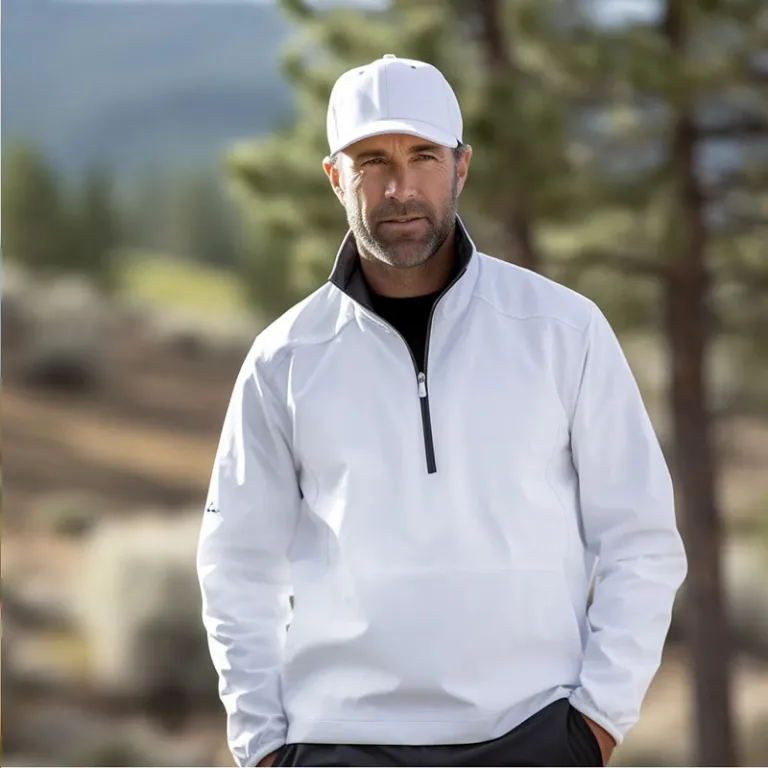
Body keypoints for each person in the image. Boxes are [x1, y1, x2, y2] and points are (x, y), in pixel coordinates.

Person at [197, 54, 688, 767]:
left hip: (532, 737)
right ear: (335, 177)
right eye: (372, 161)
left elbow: (640, 538)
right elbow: (236, 566)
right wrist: (264, 749)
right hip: (338, 743)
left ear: (461, 167)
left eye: (423, 157)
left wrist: (596, 724)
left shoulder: (563, 331)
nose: (400, 188)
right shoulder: (285, 358)